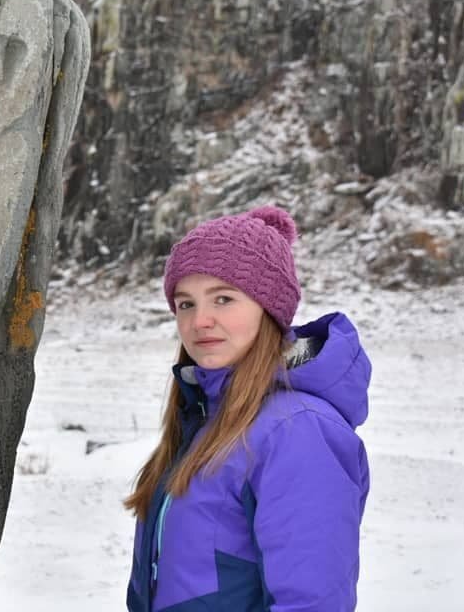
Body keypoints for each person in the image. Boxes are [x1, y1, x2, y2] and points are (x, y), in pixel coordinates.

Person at [125, 205, 370, 612]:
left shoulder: (296, 430)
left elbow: (312, 602)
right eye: (185, 304)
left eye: (223, 299)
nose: (200, 320)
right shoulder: (206, 417)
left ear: (268, 308)